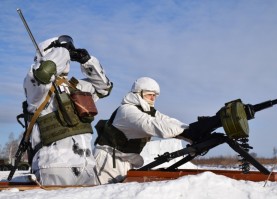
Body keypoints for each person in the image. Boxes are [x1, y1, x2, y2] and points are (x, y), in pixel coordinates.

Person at [93, 77, 221, 184]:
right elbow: (153, 125)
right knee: (107, 193)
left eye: (155, 96)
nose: (153, 99)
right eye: (149, 95)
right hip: (109, 159)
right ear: (138, 93)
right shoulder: (127, 111)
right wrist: (187, 131)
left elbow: (167, 121)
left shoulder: (148, 111)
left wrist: (193, 130)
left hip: (125, 160)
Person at [23, 35, 113, 185]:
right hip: (55, 166)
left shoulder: (76, 86)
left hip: (87, 167)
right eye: (61, 50)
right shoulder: (36, 86)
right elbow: (44, 73)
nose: (67, 54)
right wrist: (62, 50)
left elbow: (104, 89)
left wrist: (87, 61)